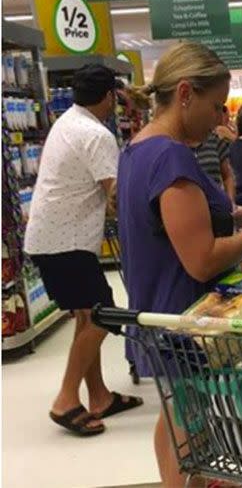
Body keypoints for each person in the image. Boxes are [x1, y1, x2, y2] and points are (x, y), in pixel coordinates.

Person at [117, 42, 242, 487]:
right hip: (187, 322)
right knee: (189, 424)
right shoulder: (172, 157)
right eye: (216, 105)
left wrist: (235, 214)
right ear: (184, 93)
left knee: (178, 414)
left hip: (157, 311)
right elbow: (200, 261)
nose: (221, 119)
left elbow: (164, 222)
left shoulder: (137, 150)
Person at [24, 64, 143, 436]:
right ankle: (65, 399)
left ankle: (99, 396)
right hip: (67, 242)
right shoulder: (95, 134)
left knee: (86, 316)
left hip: (51, 238)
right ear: (110, 96)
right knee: (102, 316)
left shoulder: (67, 122)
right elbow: (116, 196)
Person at [193, 129, 236, 201]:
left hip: (216, 205)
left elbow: (228, 176)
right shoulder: (173, 142)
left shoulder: (213, 138)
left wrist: (231, 203)